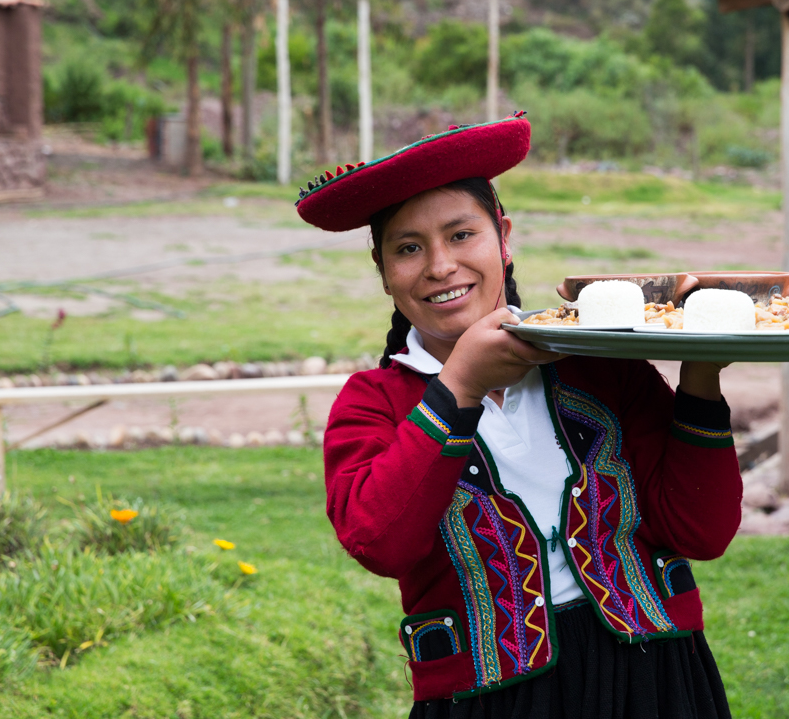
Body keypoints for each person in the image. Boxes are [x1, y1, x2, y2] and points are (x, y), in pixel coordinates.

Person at [297, 115, 743, 718]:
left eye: (461, 235)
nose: (439, 266)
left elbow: (700, 531)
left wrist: (701, 376)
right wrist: (460, 385)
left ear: (503, 237)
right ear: (383, 271)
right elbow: (381, 544)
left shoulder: (600, 363)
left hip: (655, 681)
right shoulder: (374, 403)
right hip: (488, 701)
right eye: (408, 248)